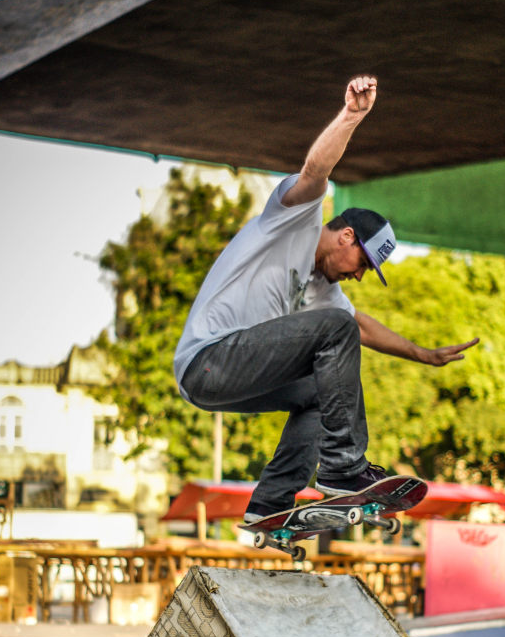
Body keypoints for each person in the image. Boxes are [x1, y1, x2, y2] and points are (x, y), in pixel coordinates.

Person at [174, 76, 478, 522]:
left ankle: (271, 504)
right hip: (208, 359)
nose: (358, 276)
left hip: (230, 375)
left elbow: (361, 326)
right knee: (335, 333)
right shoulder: (293, 220)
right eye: (362, 264)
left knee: (328, 390)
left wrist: (422, 354)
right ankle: (343, 469)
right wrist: (352, 116)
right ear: (346, 236)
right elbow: (317, 169)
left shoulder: (324, 291)